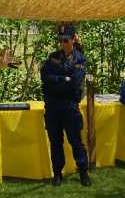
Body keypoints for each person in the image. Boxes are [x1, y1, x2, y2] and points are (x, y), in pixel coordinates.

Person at [40, 24, 91, 187]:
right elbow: (45, 79)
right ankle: (57, 174)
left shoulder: (80, 59)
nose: (63, 43)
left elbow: (75, 83)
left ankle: (83, 172)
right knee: (55, 142)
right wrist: (63, 78)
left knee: (75, 141)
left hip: (69, 107)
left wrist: (57, 80)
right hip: (53, 108)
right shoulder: (53, 56)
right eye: (61, 40)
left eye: (66, 40)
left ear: (73, 39)